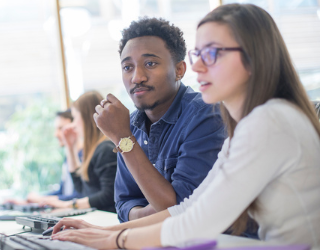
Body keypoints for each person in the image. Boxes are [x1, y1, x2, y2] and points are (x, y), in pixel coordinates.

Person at [51, 4, 320, 249]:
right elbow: (186, 210)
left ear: (254, 58)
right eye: (198, 53)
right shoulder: (247, 126)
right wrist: (104, 232)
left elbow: (198, 223)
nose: (198, 65)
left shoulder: (270, 123)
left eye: (213, 53)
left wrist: (115, 240)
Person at [103, 17, 225, 222]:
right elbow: (123, 204)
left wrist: (123, 138)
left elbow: (181, 209)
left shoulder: (206, 115)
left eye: (150, 63)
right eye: (127, 67)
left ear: (179, 70)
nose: (137, 77)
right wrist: (150, 213)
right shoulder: (130, 125)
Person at [43, 91, 117, 212]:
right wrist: (70, 147)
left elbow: (109, 195)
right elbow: (81, 188)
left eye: (75, 117)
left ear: (86, 118)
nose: (73, 124)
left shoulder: (105, 149)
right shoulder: (93, 149)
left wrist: (69, 205)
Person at [26, 109, 82, 204]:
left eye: (61, 128)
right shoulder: (67, 158)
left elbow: (80, 195)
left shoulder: (84, 157)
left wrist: (42, 200)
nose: (56, 134)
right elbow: (63, 192)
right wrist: (36, 199)